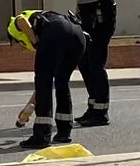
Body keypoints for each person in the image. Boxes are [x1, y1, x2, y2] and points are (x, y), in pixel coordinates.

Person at [60, 0, 120, 127]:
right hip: (87, 23)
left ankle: (101, 113)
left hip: (101, 23)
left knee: (95, 65)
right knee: (85, 64)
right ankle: (94, 107)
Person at [6, 9, 85, 150]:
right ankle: (63, 132)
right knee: (61, 81)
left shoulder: (13, 26)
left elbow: (20, 21)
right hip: (77, 35)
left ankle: (41, 136)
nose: (22, 49)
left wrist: (35, 42)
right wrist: (28, 107)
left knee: (44, 81)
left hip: (56, 31)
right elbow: (41, 89)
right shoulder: (44, 19)